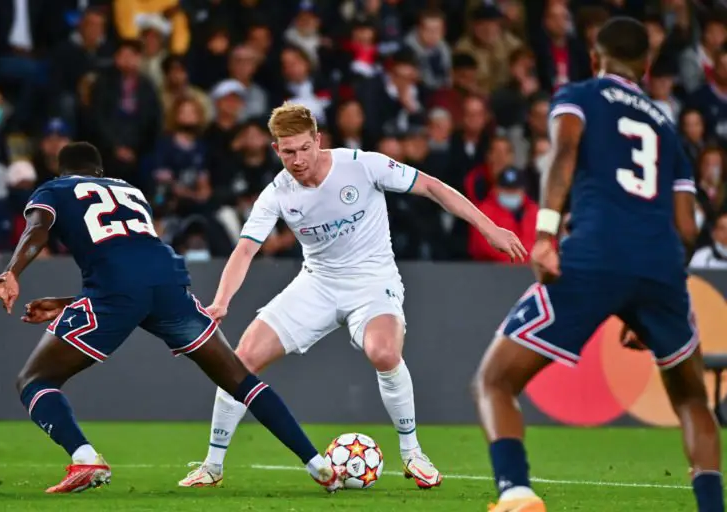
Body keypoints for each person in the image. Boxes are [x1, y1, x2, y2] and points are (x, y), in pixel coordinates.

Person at [179, 102, 526, 489]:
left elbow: (432, 187)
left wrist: (489, 227)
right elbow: (245, 249)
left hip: (373, 281)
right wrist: (222, 301)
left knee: (384, 353)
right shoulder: (276, 193)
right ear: (276, 149)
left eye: (304, 148)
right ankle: (212, 466)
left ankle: (413, 453)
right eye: (288, 152)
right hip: (317, 283)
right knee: (240, 360)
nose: (298, 160)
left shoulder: (362, 165)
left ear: (318, 140)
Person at [0, 142, 345, 494]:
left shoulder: (54, 189)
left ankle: (85, 458)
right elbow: (138, 267)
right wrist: (69, 303)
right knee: (241, 380)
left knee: (34, 380)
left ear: (62, 171)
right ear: (99, 171)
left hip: (117, 290)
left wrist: (13, 272)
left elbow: (37, 229)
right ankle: (318, 465)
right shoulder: (131, 191)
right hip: (169, 283)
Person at [474, 17, 723, 512]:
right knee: (693, 399)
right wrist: (654, 294)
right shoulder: (668, 129)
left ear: (594, 59)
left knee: (495, 380)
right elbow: (687, 227)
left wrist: (546, 234)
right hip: (661, 269)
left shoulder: (579, 95)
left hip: (593, 256)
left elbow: (564, 153)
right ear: (646, 67)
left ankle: (516, 493)